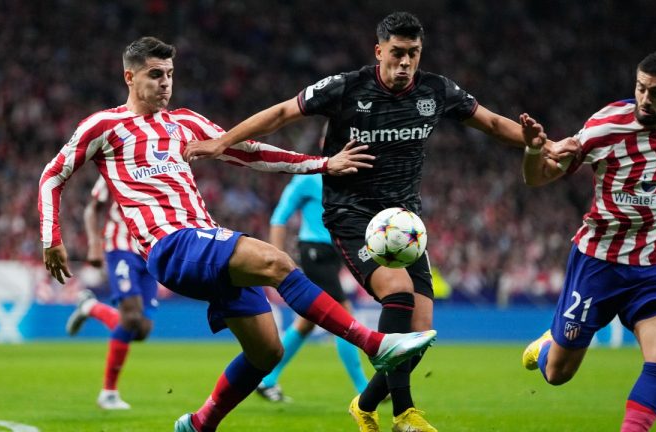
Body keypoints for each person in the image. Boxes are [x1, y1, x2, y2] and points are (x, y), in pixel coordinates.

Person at [184, 11, 575, 432]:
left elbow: (494, 124)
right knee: (397, 289)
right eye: (397, 53)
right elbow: (281, 113)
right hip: (353, 215)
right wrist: (223, 141)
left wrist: (544, 144)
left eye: (413, 54)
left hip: (406, 224)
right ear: (379, 51)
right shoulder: (346, 87)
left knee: (422, 331)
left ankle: (365, 404)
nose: (405, 62)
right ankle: (404, 414)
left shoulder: (435, 90)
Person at [38, 36, 437, 432]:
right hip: (169, 245)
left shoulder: (186, 123)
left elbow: (251, 152)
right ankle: (375, 345)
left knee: (266, 352)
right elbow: (53, 175)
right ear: (130, 76)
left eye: (170, 75)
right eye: (155, 74)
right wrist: (51, 237)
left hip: (202, 239)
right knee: (275, 261)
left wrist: (323, 164)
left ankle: (198, 424)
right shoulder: (104, 126)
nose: (165, 83)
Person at [520, 50, 656, 432]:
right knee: (557, 375)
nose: (644, 99)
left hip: (655, 266)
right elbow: (537, 178)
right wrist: (533, 150)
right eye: (640, 88)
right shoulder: (604, 128)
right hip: (598, 263)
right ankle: (547, 346)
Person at [256, 123, 369, 403]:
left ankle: (266, 379)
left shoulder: (353, 179)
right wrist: (277, 260)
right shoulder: (308, 177)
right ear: (322, 142)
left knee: (306, 323)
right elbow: (279, 218)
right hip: (314, 253)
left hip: (336, 254)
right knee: (345, 316)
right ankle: (364, 389)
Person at [64, 176, 159, 409]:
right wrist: (94, 243)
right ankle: (108, 392)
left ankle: (90, 307)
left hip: (151, 251)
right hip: (121, 247)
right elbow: (92, 209)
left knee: (141, 329)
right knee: (132, 317)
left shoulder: (167, 166)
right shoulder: (117, 164)